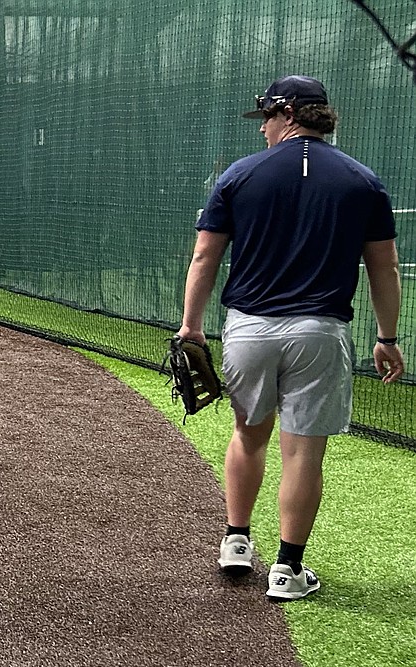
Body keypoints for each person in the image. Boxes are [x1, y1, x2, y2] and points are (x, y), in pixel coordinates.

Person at [179, 75, 404, 602]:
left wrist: (191, 325)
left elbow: (205, 257)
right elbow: (384, 267)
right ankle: (287, 570)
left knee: (248, 434)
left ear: (287, 114)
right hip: (319, 332)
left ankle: (236, 541)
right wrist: (387, 336)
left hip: (248, 329)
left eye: (266, 116)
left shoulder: (239, 174)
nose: (261, 127)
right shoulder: (362, 180)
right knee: (303, 452)